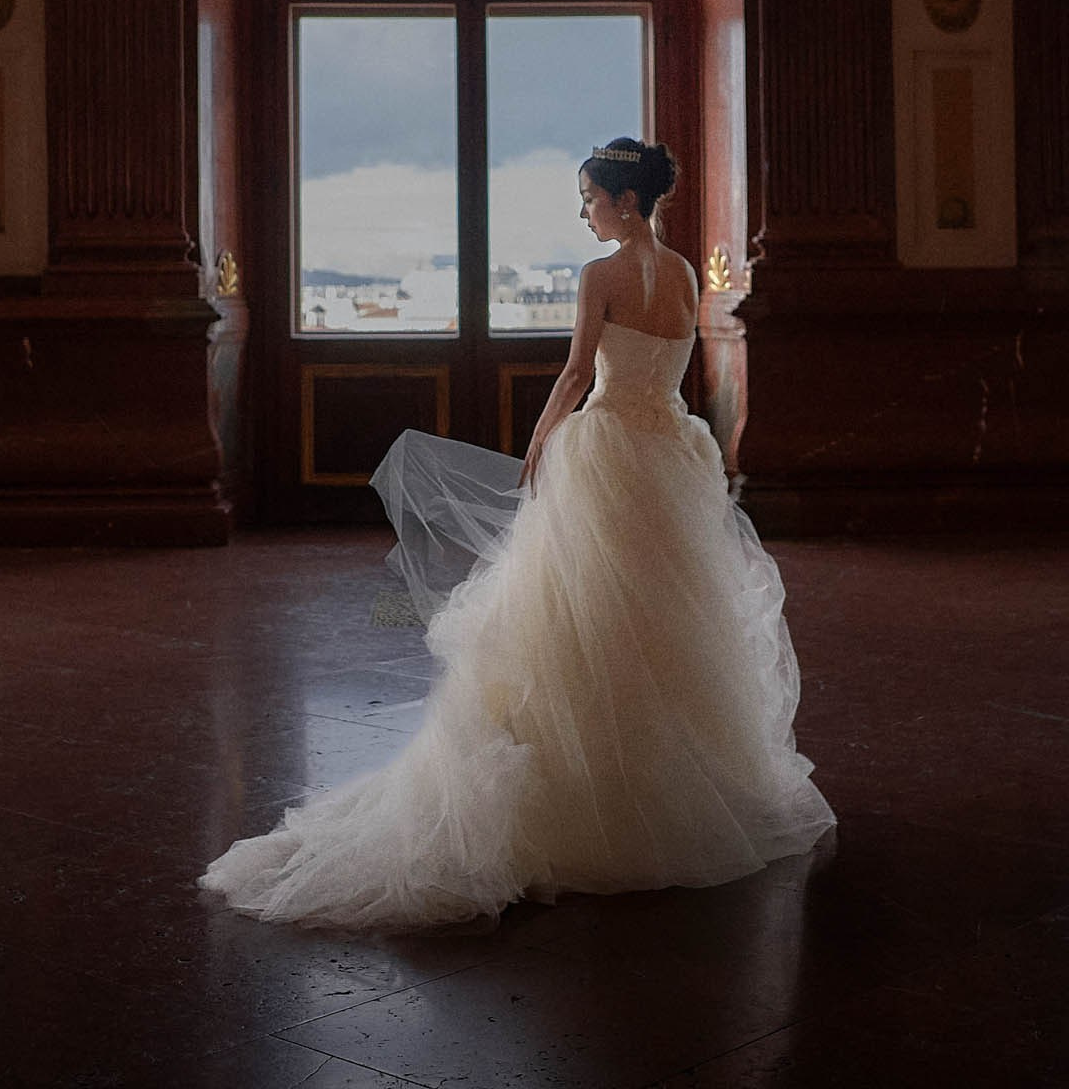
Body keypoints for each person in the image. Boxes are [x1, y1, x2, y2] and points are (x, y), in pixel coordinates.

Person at [199, 139, 836, 931]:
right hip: (670, 453)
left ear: (625, 202)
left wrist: (539, 443)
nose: (584, 212)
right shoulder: (678, 273)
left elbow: (576, 375)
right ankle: (670, 783)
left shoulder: (599, 276)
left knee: (574, 615)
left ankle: (585, 786)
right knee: (666, 613)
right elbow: (674, 368)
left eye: (590, 198)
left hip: (608, 451)